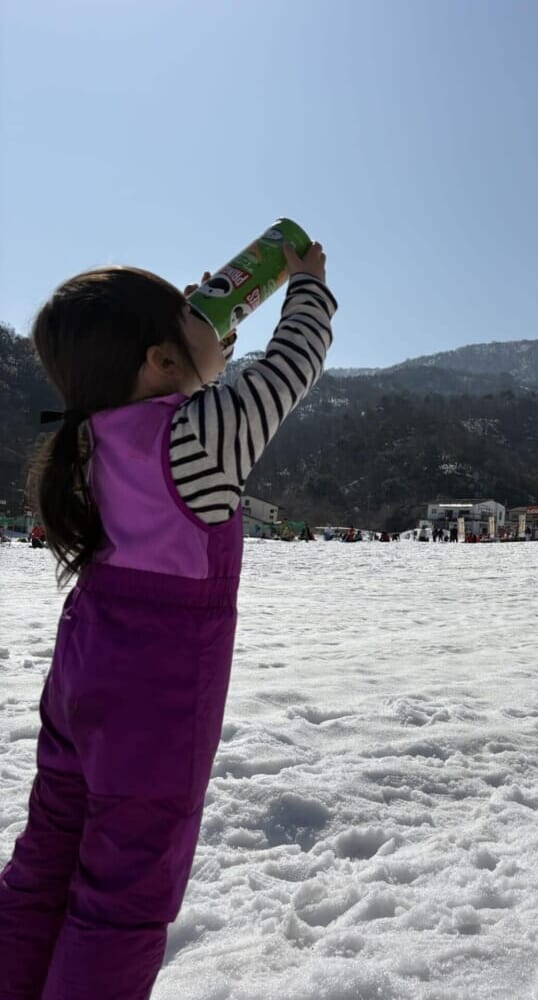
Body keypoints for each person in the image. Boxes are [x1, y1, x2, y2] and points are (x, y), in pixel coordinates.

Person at [0, 241, 336, 999]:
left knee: (46, 857)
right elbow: (292, 366)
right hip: (154, 692)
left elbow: (192, 392)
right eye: (193, 315)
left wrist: (202, 339)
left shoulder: (95, 434)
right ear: (159, 359)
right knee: (122, 896)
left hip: (83, 666)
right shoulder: (199, 439)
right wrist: (307, 285)